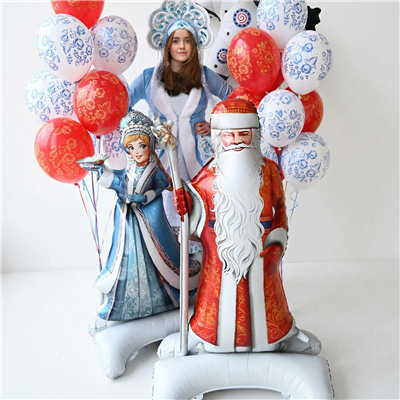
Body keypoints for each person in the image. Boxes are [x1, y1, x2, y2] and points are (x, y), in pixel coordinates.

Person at [156, 99, 297, 352]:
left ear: (254, 136)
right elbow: (193, 204)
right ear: (219, 138)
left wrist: (278, 242)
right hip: (219, 254)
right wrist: (183, 199)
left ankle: (270, 341)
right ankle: (214, 340)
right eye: (229, 136)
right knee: (217, 298)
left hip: (262, 251)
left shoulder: (270, 172)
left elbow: (280, 210)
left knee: (265, 299)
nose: (237, 142)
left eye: (243, 134)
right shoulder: (208, 174)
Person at [80, 110, 201, 321]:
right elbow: (119, 183)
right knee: (128, 260)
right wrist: (101, 170)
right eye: (131, 147)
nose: (137, 152)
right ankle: (128, 304)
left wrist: (145, 198)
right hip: (129, 222)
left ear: (150, 145)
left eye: (142, 146)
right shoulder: (129, 170)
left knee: (159, 258)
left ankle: (167, 297)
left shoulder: (154, 169)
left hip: (150, 220)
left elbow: (163, 186)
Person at [129, 0, 232, 233]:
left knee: (200, 214)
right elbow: (122, 104)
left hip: (199, 157)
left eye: (187, 40)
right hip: (160, 157)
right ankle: (169, 252)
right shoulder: (148, 77)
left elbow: (234, 100)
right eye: (176, 40)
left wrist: (216, 125)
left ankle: (197, 250)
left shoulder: (205, 75)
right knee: (163, 217)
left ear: (195, 45)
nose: (182, 46)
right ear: (167, 45)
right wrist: (143, 133)